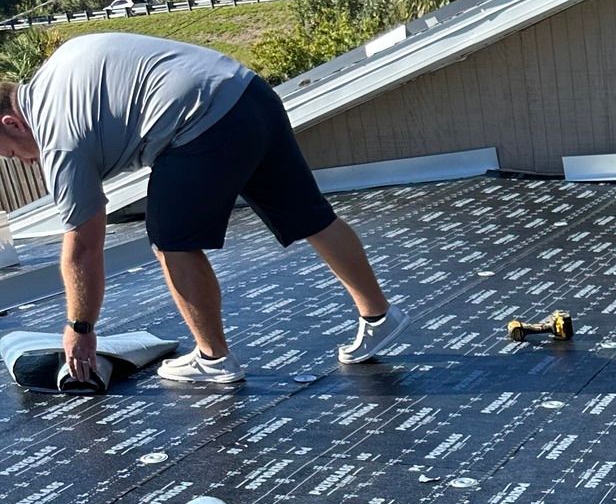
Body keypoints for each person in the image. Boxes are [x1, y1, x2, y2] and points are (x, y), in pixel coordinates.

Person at [0, 33, 405, 389]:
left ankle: (213, 358)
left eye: (12, 153)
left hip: (202, 122)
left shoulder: (58, 138)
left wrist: (80, 328)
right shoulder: (62, 65)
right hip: (249, 93)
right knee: (312, 216)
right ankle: (379, 315)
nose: (26, 162)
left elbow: (84, 247)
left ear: (12, 124)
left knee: (171, 239)